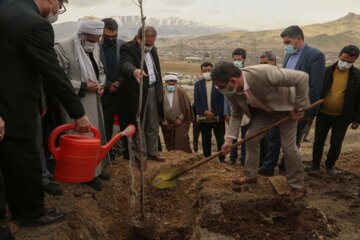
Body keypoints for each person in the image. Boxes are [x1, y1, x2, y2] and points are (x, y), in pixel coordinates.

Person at [0, 0, 91, 227]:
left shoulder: (6, 8)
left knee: (11, 163)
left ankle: (16, 208)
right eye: (59, 4)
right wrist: (78, 113)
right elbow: (54, 73)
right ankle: (30, 213)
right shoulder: (34, 24)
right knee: (27, 159)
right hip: (15, 106)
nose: (57, 11)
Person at [214, 62, 309, 201]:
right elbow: (236, 114)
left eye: (221, 87)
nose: (221, 90)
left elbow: (301, 78)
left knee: (288, 146)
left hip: (286, 109)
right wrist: (229, 139)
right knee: (250, 138)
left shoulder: (264, 73)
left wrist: (301, 107)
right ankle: (250, 176)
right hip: (263, 110)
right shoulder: (231, 91)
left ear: (232, 81)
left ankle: (297, 185)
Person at [261, 25, 325, 176]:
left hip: (299, 107)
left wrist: (307, 111)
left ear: (298, 38)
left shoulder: (315, 55)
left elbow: (315, 87)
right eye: (284, 43)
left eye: (288, 42)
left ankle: (285, 168)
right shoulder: (289, 55)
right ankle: (268, 167)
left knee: (292, 142)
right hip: (283, 105)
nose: (286, 46)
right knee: (273, 136)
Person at [55, 17, 110, 191]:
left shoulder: (95, 47)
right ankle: (86, 174)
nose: (94, 43)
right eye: (92, 40)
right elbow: (59, 79)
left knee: (94, 136)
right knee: (81, 138)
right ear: (82, 34)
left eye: (97, 40)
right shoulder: (62, 47)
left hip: (95, 99)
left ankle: (96, 169)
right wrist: (85, 86)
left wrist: (101, 84)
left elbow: (100, 69)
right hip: (76, 102)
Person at [120, 25, 165, 170]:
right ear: (139, 38)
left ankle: (153, 152)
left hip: (153, 89)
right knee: (140, 123)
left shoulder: (153, 49)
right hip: (138, 92)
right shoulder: (128, 48)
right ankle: (141, 156)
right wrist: (134, 70)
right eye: (147, 43)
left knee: (153, 123)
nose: (150, 46)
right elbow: (125, 64)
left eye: (152, 43)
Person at [311, 45, 360, 172]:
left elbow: (359, 100)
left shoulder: (357, 76)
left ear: (354, 61)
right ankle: (315, 165)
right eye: (344, 59)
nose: (345, 63)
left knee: (336, 143)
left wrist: (357, 119)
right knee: (318, 141)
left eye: (349, 62)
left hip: (342, 117)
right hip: (323, 113)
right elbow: (316, 91)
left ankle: (330, 165)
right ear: (339, 56)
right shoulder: (326, 71)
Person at [99, 18, 127, 161]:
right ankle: (107, 153)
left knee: (125, 123)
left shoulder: (123, 46)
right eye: (108, 36)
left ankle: (125, 152)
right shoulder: (95, 47)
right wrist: (108, 84)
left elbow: (127, 66)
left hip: (121, 93)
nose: (111, 39)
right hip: (105, 94)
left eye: (114, 36)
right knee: (106, 125)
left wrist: (119, 83)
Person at [194, 62, 226, 162]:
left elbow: (223, 100)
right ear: (201, 71)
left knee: (220, 139)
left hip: (218, 117)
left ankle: (222, 158)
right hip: (204, 118)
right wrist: (205, 112)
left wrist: (215, 112)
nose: (207, 72)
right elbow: (197, 100)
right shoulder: (198, 84)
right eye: (204, 71)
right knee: (205, 140)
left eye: (209, 70)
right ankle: (206, 158)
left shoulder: (219, 83)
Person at [226, 48, 249, 165]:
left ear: (244, 59)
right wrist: (226, 112)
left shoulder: (247, 73)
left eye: (239, 60)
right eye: (235, 60)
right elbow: (227, 95)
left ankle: (244, 158)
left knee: (245, 136)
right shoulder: (228, 74)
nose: (237, 62)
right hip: (233, 110)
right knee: (232, 134)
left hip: (246, 110)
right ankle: (232, 157)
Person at [161, 75, 193, 153]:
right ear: (165, 83)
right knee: (169, 141)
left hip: (180, 122)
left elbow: (186, 107)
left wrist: (180, 118)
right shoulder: (161, 93)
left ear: (176, 84)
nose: (171, 86)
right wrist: (162, 119)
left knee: (181, 140)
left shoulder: (181, 92)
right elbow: (158, 108)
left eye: (173, 84)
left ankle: (184, 157)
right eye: (169, 84)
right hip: (166, 122)